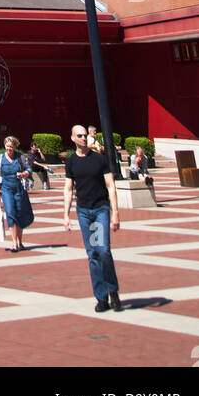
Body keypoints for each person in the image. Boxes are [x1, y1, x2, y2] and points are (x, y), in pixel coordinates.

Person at [64, 124, 122, 313]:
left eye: (84, 135)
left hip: (100, 209)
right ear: (72, 138)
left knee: (104, 250)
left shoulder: (98, 159)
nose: (83, 138)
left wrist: (115, 213)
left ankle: (113, 290)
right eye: (79, 135)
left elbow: (110, 185)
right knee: (93, 255)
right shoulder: (71, 162)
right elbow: (68, 189)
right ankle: (101, 297)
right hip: (84, 212)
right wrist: (66, 215)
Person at [0, 136, 34, 252]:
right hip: (6, 189)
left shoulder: (20, 157)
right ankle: (14, 242)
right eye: (7, 146)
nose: (9, 148)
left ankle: (20, 242)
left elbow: (29, 169)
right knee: (10, 213)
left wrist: (24, 173)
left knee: (19, 213)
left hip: (19, 188)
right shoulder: (0, 158)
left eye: (11, 146)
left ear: (15, 146)